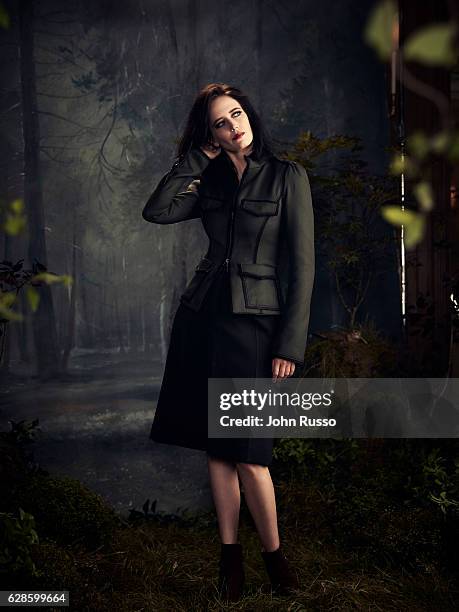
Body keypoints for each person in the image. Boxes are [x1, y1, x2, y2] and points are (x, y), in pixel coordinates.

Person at [142, 83, 314, 602]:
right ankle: (230, 561)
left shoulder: (288, 177)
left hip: (257, 327)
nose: (233, 125)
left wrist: (291, 344)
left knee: (251, 454)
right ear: (210, 133)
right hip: (203, 318)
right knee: (219, 451)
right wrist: (196, 157)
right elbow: (157, 211)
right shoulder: (208, 178)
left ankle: (275, 559)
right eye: (220, 122)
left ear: (250, 116)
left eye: (237, 114)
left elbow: (303, 268)